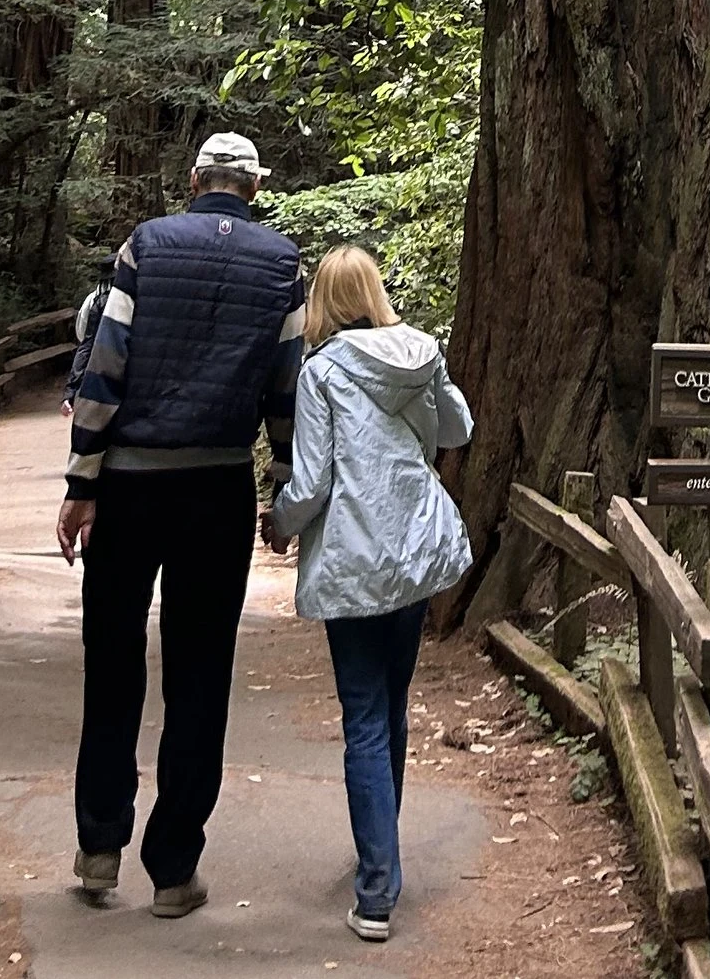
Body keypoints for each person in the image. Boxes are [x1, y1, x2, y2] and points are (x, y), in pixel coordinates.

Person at [58, 130, 304, 923]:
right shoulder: (282, 263)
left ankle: (100, 846)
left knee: (113, 660)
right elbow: (285, 387)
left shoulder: (146, 245)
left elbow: (107, 362)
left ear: (194, 178)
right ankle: (173, 868)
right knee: (200, 675)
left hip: (130, 485)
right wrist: (281, 488)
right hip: (217, 490)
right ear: (254, 187)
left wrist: (80, 482)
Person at [269, 244, 473, 944]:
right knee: (391, 700)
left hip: (355, 558)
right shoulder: (419, 352)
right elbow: (458, 429)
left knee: (363, 712)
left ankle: (378, 884)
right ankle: (379, 849)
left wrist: (278, 521)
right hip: (413, 552)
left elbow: (314, 478)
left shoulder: (321, 371)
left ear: (325, 298)